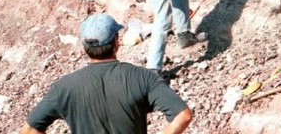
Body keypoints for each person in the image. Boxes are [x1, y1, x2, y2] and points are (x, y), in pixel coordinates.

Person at [19, 13, 193, 134]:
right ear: (116, 42)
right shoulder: (142, 77)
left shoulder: (63, 87)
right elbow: (182, 115)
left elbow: (29, 130)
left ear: (84, 48)